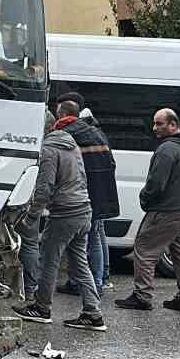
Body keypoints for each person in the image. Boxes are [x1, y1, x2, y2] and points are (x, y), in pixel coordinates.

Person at [14, 111, 106, 331]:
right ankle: (93, 313)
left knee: (48, 260)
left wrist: (31, 216)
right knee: (80, 262)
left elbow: (44, 187)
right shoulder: (72, 144)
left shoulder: (49, 148)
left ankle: (41, 308)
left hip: (65, 213)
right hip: (84, 209)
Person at [115, 108, 180, 314]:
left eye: (159, 124)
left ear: (173, 125)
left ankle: (142, 296)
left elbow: (156, 184)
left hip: (166, 210)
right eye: (154, 123)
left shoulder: (167, 149)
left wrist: (144, 198)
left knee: (144, 249)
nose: (154, 128)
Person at [52, 98, 119, 295]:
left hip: (81, 194)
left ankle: (81, 282)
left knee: (78, 241)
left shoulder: (67, 135)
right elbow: (111, 164)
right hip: (100, 193)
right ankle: (96, 282)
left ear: (64, 115)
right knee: (95, 238)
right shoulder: (96, 132)